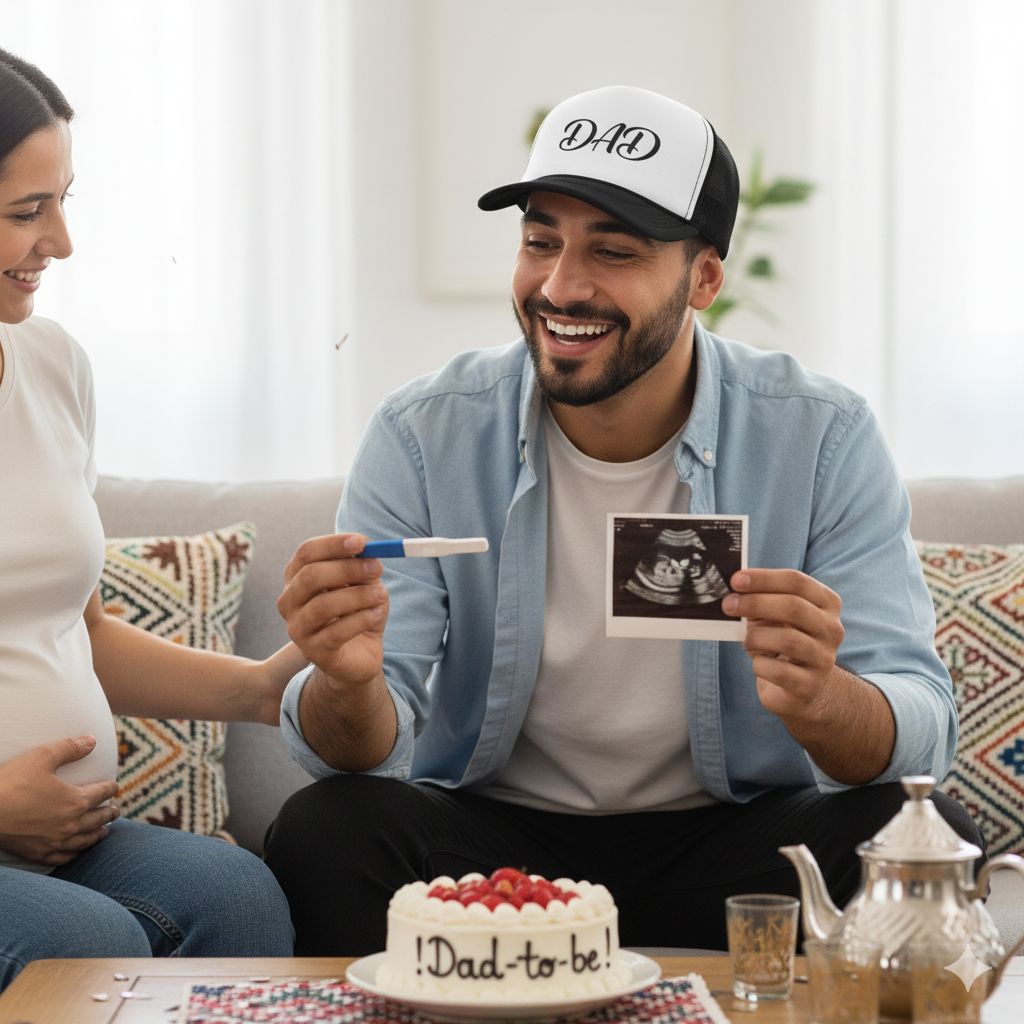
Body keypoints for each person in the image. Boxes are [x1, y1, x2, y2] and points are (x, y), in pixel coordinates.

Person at [265, 85, 981, 954]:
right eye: (540, 242)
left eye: (614, 251)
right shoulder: (425, 432)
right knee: (327, 824)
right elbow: (363, 751)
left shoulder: (821, 435)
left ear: (704, 277)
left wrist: (828, 701)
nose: (563, 286)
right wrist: (347, 681)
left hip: (734, 846)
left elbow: (922, 734)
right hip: (496, 853)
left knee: (919, 826)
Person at [0, 49, 301, 991]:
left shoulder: (50, 365)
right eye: (25, 212)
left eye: (63, 201)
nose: (62, 242)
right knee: (93, 947)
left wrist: (266, 688)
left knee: (239, 894)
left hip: (56, 841)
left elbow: (75, 630)